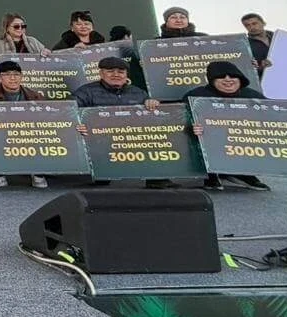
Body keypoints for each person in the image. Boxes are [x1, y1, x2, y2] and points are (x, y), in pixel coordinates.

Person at [72, 57, 172, 189]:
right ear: (101, 73)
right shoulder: (85, 92)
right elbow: (70, 114)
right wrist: (78, 125)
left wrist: (152, 103)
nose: (116, 75)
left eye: (121, 72)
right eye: (110, 71)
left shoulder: (138, 92)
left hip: (131, 138)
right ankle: (101, 175)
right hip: (98, 139)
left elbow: (154, 118)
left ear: (126, 75)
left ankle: (157, 178)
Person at [183, 61, 270, 191]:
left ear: (240, 79)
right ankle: (210, 174)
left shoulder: (253, 97)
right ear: (212, 80)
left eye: (233, 76)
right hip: (206, 141)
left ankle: (244, 173)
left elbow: (274, 117)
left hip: (241, 141)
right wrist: (191, 127)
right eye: (221, 76)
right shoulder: (196, 96)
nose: (228, 79)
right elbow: (178, 119)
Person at [0, 61, 49, 189]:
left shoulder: (35, 96)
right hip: (0, 134)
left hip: (28, 134)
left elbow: (49, 118)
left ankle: (38, 173)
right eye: (7, 74)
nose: (13, 78)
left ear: (21, 77)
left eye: (16, 74)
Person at [241, 13, 273, 79]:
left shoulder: (277, 37)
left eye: (254, 23)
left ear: (264, 23)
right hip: (264, 81)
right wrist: (261, 67)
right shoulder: (245, 45)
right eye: (247, 25)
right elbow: (246, 70)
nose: (252, 27)